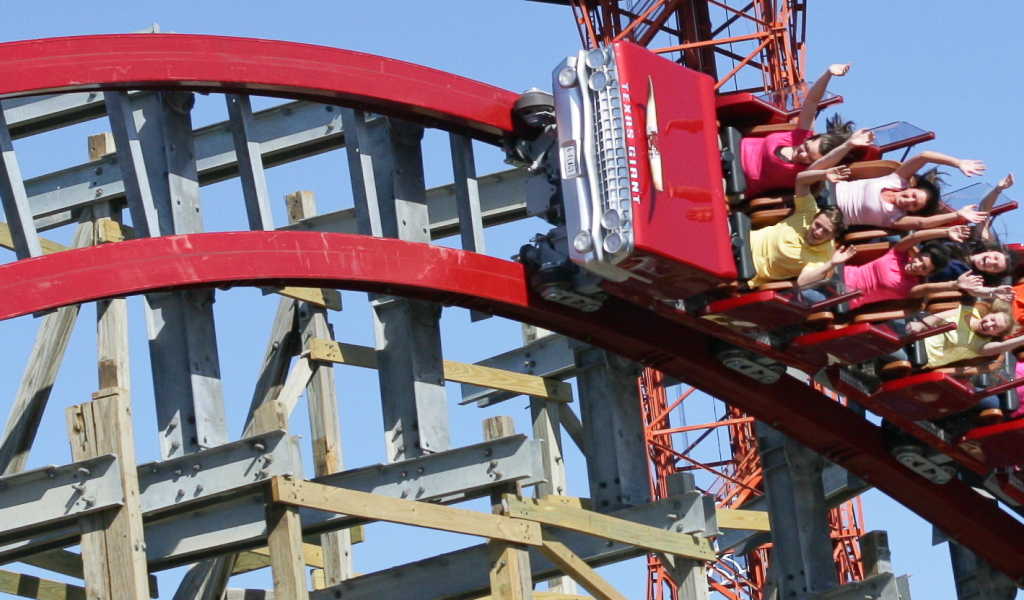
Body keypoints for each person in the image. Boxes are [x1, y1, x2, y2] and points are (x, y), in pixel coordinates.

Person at [741, 63, 871, 198]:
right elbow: (812, 101)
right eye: (806, 148)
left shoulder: (805, 171)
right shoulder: (801, 135)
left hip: (734, 181)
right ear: (810, 138)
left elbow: (826, 162)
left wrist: (849, 145)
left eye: (809, 159)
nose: (803, 155)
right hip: (731, 145)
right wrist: (828, 73)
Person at [747, 167, 856, 288]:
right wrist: (823, 174)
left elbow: (802, 283)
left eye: (826, 231)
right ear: (814, 218)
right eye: (818, 225)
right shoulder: (808, 212)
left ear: (832, 236)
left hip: (749, 268)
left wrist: (831, 264)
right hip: (747, 239)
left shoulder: (821, 258)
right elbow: (801, 180)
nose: (818, 232)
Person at [835, 151, 987, 230]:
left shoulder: (895, 217)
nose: (909, 200)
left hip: (830, 216)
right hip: (828, 189)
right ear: (911, 187)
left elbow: (923, 223)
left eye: (914, 204)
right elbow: (923, 156)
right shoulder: (895, 180)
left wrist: (957, 214)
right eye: (913, 195)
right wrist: (957, 162)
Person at [842, 226, 980, 310]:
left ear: (927, 273)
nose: (917, 265)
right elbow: (915, 236)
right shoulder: (897, 254)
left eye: (924, 267)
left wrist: (955, 284)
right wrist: (945, 232)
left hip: (844, 298)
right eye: (920, 259)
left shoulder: (910, 287)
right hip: (838, 274)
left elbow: (927, 289)